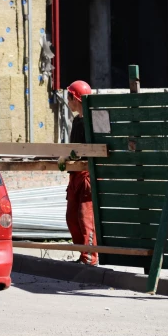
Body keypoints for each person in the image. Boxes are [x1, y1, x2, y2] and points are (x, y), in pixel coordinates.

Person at [58, 80, 98, 266]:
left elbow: (94, 150)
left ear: (75, 98)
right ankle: (82, 254)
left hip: (87, 177)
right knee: (72, 217)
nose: (68, 101)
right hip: (75, 175)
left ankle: (90, 258)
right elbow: (75, 148)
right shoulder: (77, 121)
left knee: (85, 217)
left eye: (69, 97)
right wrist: (66, 158)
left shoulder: (93, 121)